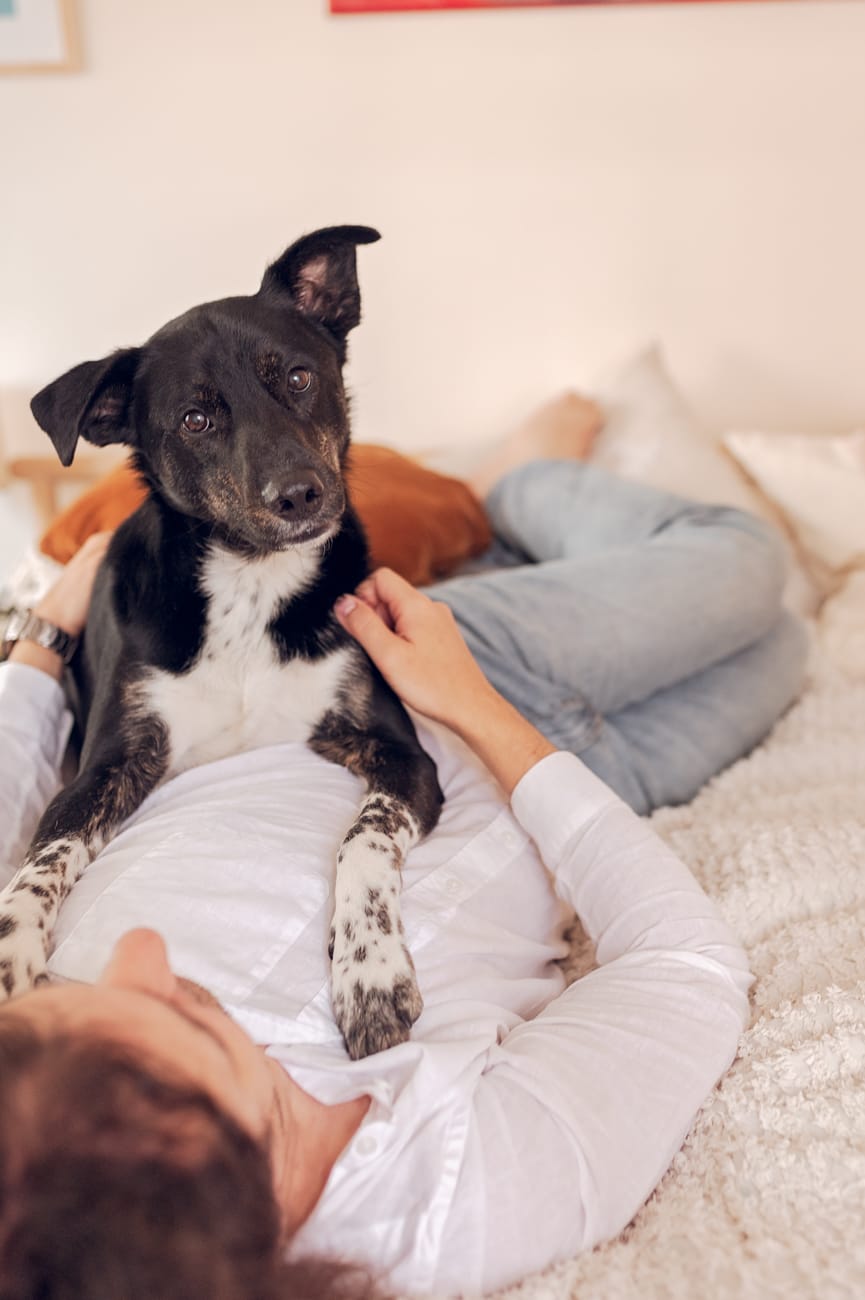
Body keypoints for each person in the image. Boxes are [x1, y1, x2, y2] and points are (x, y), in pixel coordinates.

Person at [0, 401, 807, 1298]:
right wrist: (489, 721)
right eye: (179, 1014)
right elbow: (685, 965)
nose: (138, 953)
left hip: (366, 687)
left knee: (747, 560)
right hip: (561, 769)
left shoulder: (31, 1104)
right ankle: (513, 505)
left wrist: (42, 639)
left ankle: (516, 480)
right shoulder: (460, 1204)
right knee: (784, 645)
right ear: (223, 1160)